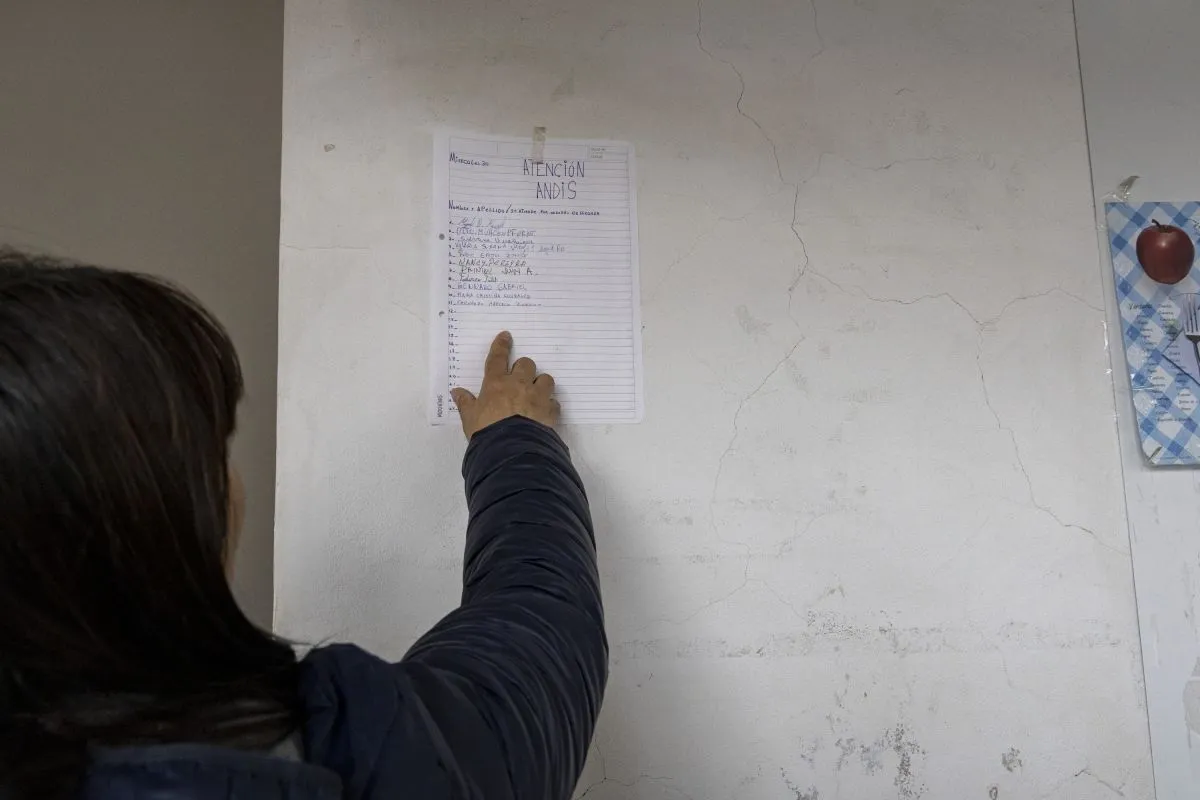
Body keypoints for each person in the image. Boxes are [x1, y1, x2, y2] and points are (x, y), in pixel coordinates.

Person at [0, 249, 607, 799]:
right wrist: (513, 439)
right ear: (169, 521)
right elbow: (537, 638)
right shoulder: (346, 755)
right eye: (216, 450)